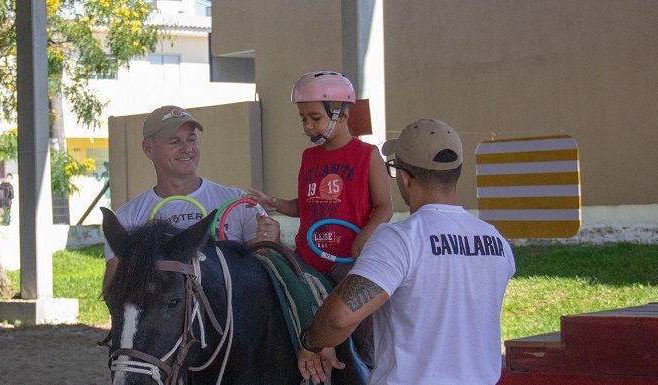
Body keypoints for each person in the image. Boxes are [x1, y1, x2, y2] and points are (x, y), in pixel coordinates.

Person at [296, 119, 516, 385]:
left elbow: (339, 317)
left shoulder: (400, 239)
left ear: (403, 176)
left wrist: (313, 343)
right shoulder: (496, 241)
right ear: (455, 173)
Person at [103, 105, 280, 287]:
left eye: (191, 139)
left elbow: (264, 276)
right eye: (174, 141)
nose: (187, 148)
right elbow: (114, 288)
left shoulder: (238, 203)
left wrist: (272, 243)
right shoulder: (128, 217)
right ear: (148, 149)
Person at [246, 70, 392, 282]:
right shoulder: (309, 157)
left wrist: (365, 236)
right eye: (303, 118)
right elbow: (307, 205)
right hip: (307, 258)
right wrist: (275, 202)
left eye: (315, 118)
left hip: (348, 259)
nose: (308, 126)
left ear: (342, 116)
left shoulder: (367, 155)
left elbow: (384, 206)